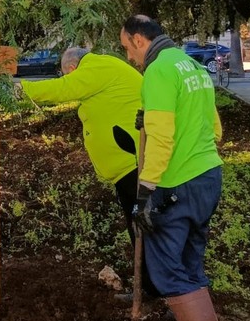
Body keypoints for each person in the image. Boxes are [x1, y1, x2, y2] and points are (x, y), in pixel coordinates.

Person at [120, 14, 237, 321]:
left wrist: (145, 192)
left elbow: (164, 138)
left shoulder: (157, 72)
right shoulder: (192, 65)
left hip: (177, 183)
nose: (131, 59)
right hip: (207, 176)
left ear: (139, 41)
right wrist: (154, 119)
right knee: (189, 264)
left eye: (127, 49)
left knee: (168, 271)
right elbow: (214, 128)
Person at [18, 47, 158, 296]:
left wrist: (21, 90)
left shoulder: (96, 67)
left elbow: (63, 89)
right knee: (137, 226)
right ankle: (148, 286)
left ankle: (156, 289)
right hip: (128, 164)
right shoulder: (103, 69)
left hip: (134, 163)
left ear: (73, 68)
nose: (68, 78)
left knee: (143, 228)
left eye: (67, 74)